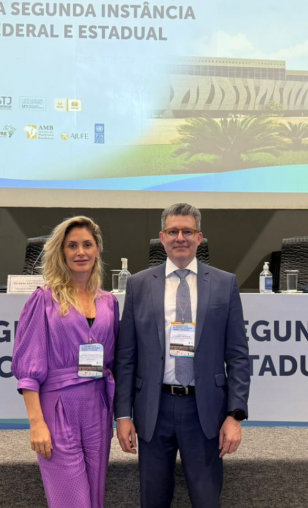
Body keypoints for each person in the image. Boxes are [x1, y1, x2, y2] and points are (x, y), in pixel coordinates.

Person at [114, 203, 250, 508]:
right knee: (153, 500)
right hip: (154, 410)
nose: (180, 238)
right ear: (161, 237)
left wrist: (235, 415)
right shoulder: (138, 285)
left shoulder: (224, 283)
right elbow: (126, 357)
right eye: (173, 231)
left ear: (199, 237)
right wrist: (123, 415)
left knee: (206, 500)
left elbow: (238, 356)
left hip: (205, 412)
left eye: (187, 231)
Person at [12, 216, 119, 508]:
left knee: (94, 499)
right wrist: (37, 424)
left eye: (87, 244)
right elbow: (28, 371)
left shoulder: (109, 302)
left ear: (97, 250)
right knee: (72, 501)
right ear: (61, 252)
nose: (80, 252)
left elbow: (115, 362)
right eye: (72, 246)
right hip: (58, 408)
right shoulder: (44, 299)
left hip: (98, 407)